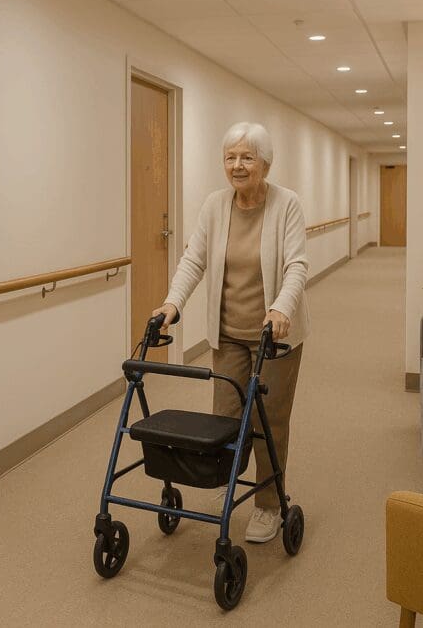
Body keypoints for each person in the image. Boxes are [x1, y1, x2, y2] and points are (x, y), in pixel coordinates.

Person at [153, 121, 310, 543]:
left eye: (247, 157)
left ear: (265, 163)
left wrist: (281, 307)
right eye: (230, 157)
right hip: (227, 333)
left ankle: (267, 505)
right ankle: (228, 480)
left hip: (273, 337)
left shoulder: (286, 204)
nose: (237, 165)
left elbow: (296, 264)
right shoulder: (215, 205)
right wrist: (173, 302)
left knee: (267, 420)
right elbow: (193, 260)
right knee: (224, 414)